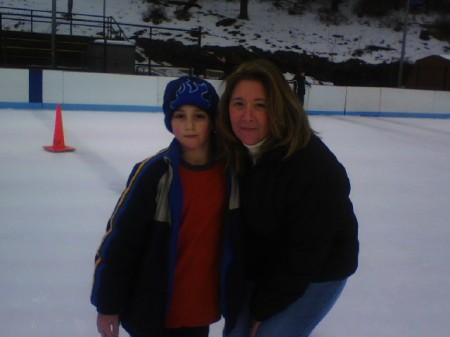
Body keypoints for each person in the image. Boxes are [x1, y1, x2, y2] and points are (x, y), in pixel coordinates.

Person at [91, 76, 245, 337]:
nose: (189, 125)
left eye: (199, 116)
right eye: (180, 116)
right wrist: (107, 304)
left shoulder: (231, 172)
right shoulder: (154, 173)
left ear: (212, 121)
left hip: (199, 309)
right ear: (169, 121)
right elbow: (120, 241)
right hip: (152, 313)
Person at [216, 59, 359, 337]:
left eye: (261, 105)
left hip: (317, 269)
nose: (247, 116)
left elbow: (305, 254)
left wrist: (263, 308)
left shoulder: (313, 168)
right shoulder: (234, 150)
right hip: (266, 259)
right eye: (238, 104)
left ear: (279, 108)